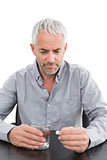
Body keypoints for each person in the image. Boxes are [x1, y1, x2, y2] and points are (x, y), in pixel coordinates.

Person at [0, 18, 107, 153]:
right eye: (44, 51)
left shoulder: (80, 76)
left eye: (56, 51)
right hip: (29, 155)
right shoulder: (17, 79)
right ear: (33, 49)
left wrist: (89, 136)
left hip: (72, 155)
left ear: (65, 48)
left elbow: (103, 115)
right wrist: (10, 133)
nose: (51, 59)